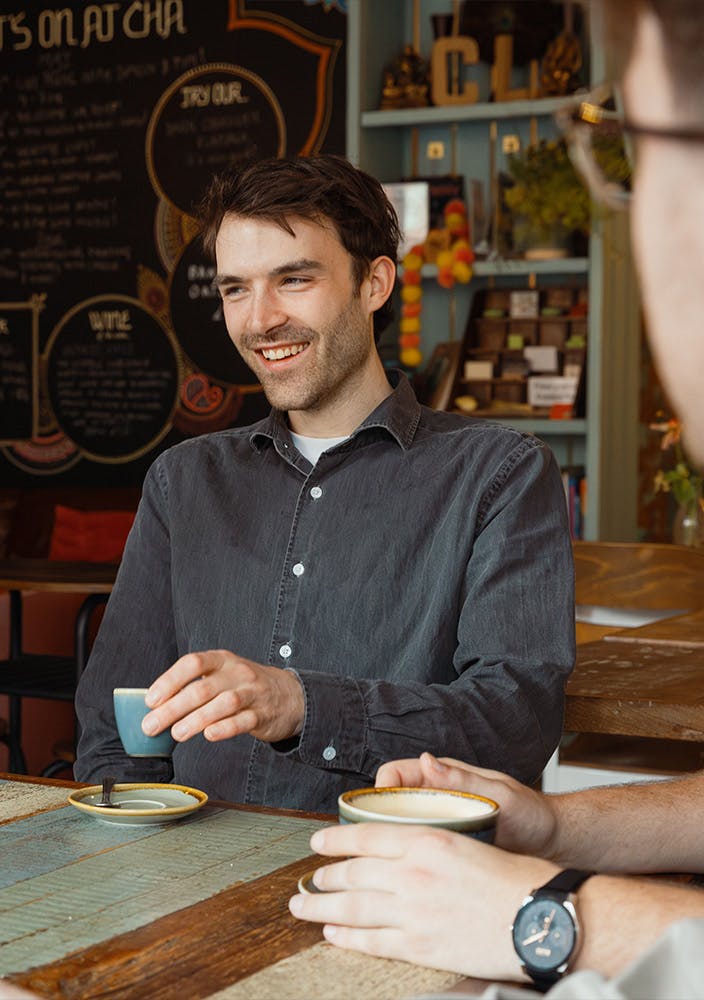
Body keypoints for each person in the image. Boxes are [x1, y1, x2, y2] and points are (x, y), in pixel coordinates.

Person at [289, 0, 704, 993]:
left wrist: (546, 915)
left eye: (632, 157)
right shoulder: (190, 476)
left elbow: (513, 698)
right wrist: (551, 822)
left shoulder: (496, 466)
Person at [74, 153, 576, 811]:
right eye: (235, 289)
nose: (259, 320)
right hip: (186, 875)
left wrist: (303, 705)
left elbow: (515, 723)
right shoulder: (184, 481)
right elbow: (115, 728)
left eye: (293, 279)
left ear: (374, 283)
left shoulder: (498, 473)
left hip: (388, 875)